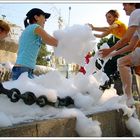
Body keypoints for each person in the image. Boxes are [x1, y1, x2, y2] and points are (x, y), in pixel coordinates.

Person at [99, 3, 140, 107]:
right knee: (122, 61)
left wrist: (109, 50)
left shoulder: (136, 12)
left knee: (121, 62)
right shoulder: (135, 26)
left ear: (133, 4)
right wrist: (113, 53)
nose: (123, 8)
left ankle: (128, 98)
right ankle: (129, 98)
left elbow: (125, 39)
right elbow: (131, 46)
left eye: (125, 5)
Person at [11, 8, 58, 80]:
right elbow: (49, 39)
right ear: (36, 17)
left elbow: (48, 40)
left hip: (24, 68)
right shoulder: (35, 27)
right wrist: (65, 44)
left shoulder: (30, 29)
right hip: (23, 69)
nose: (46, 20)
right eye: (44, 17)